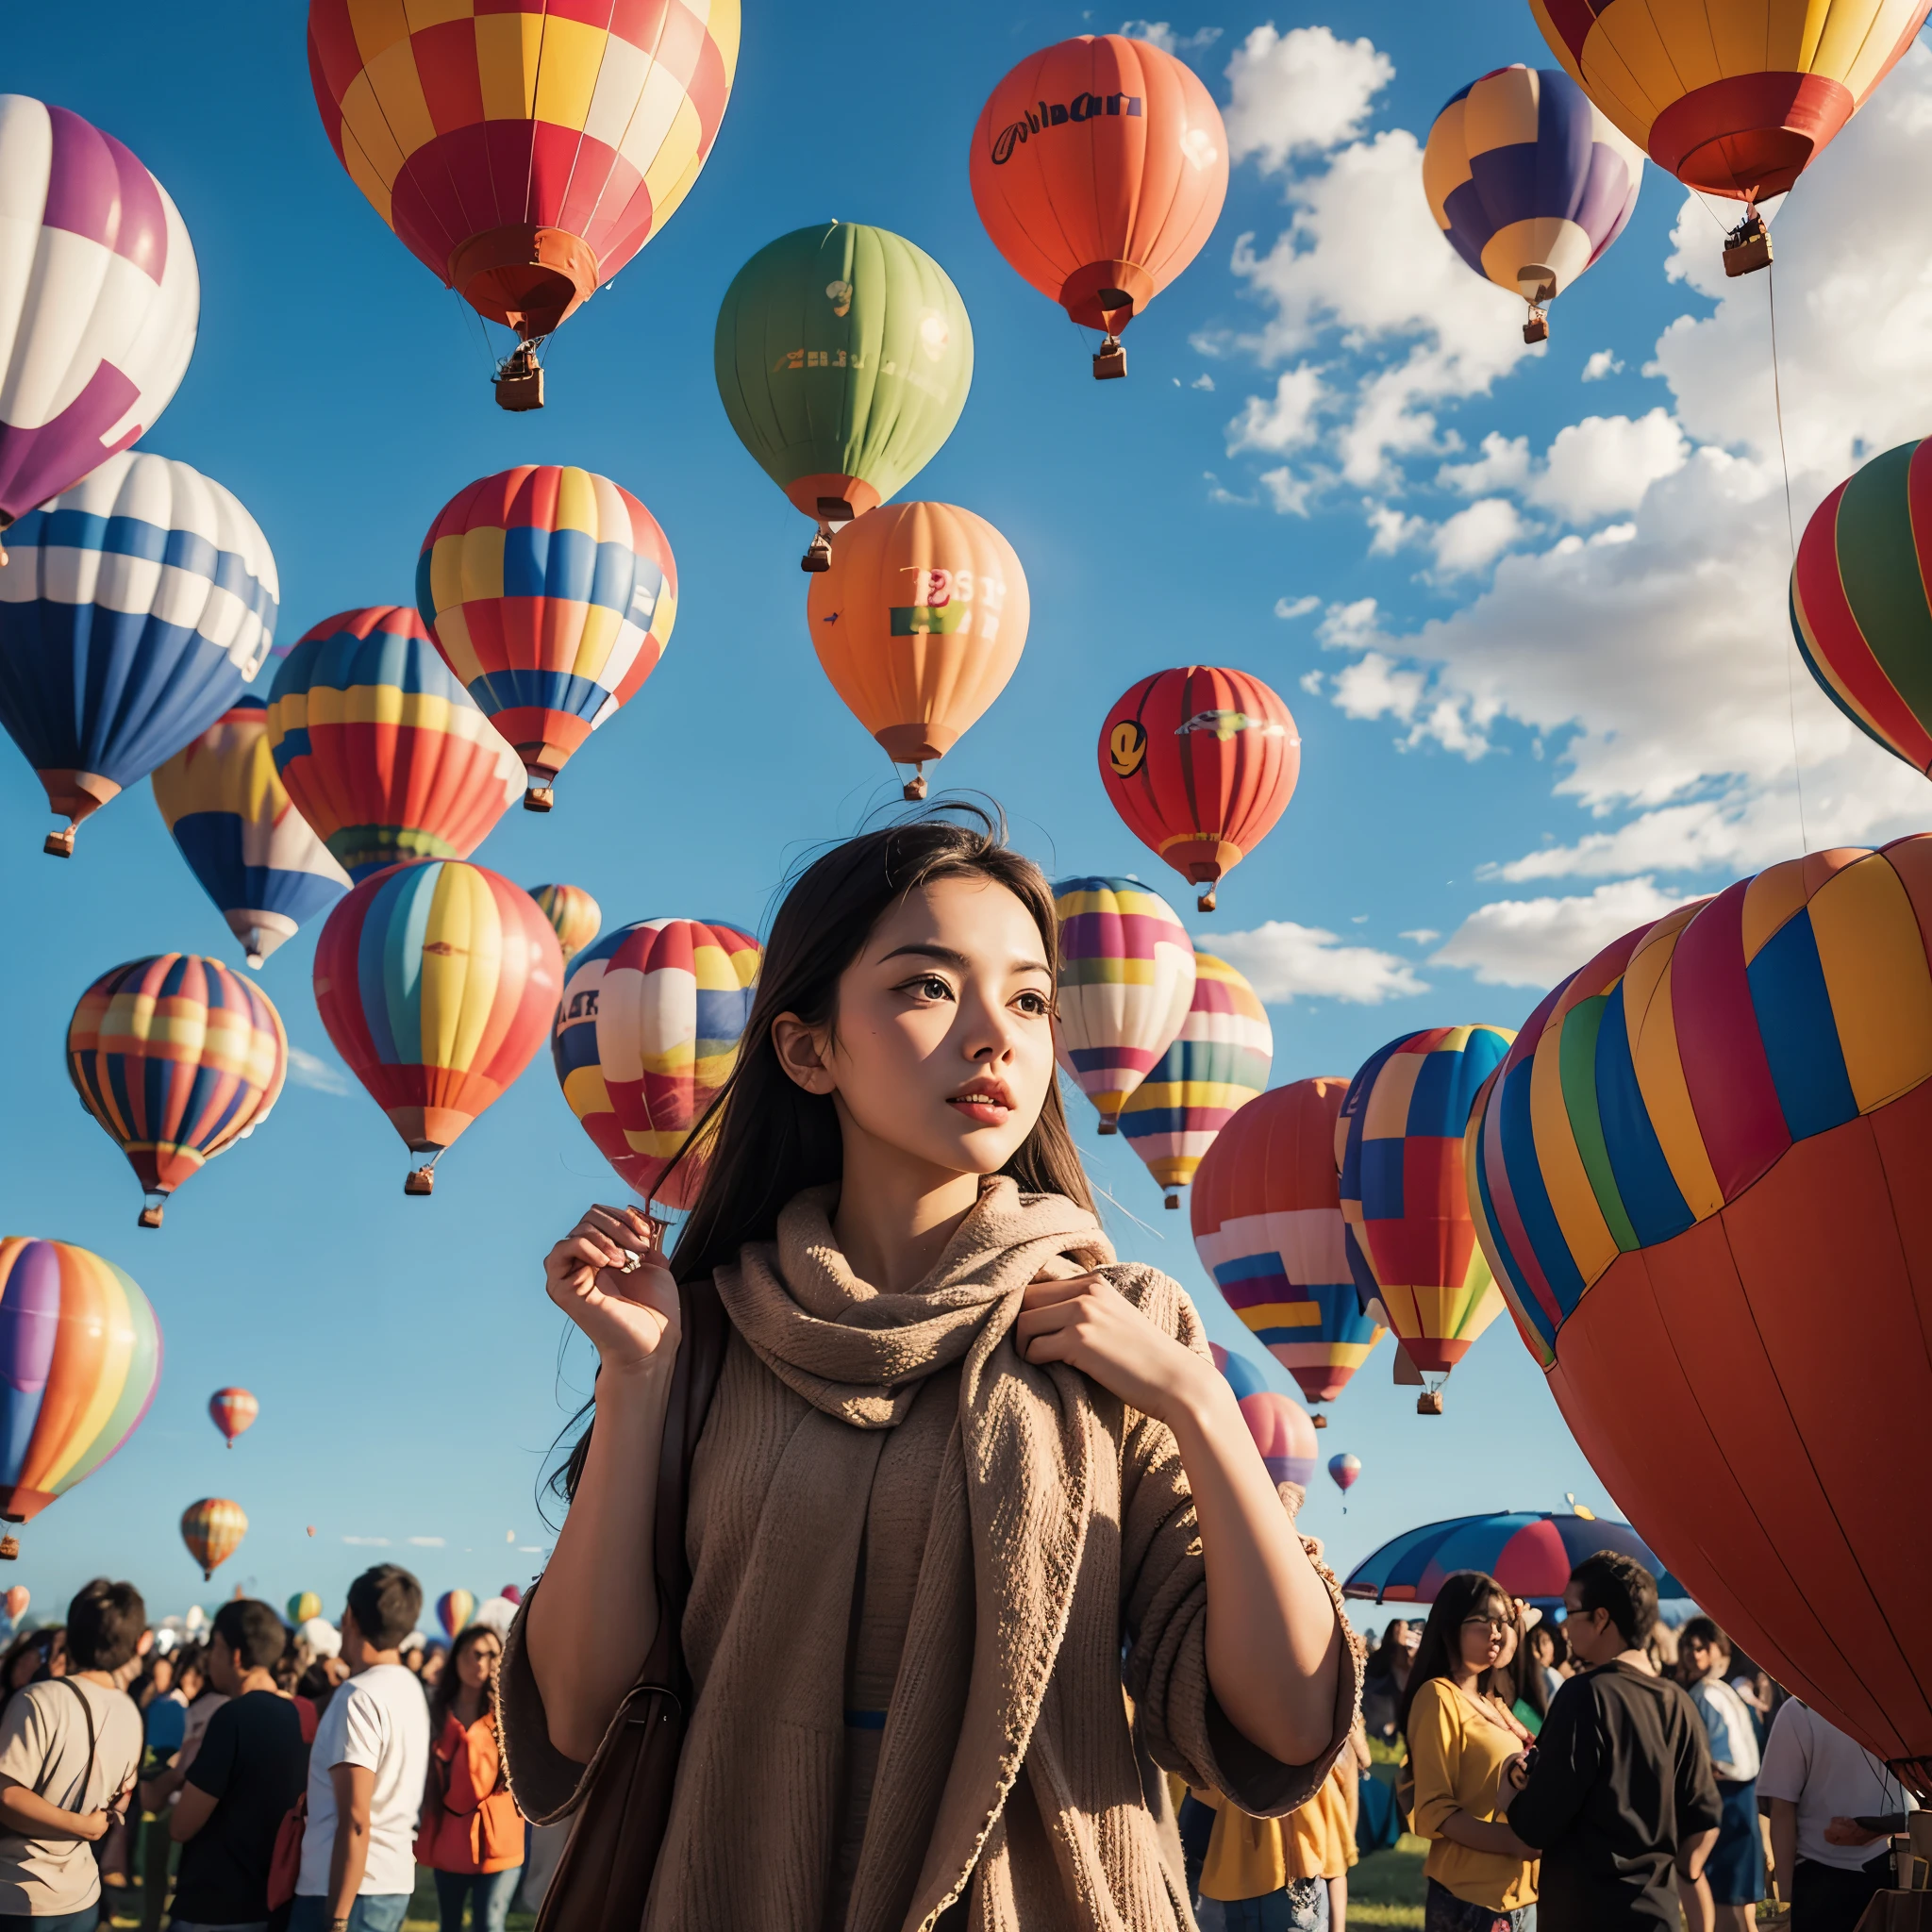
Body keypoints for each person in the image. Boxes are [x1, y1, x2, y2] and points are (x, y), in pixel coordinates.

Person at [507, 810, 1359, 1930]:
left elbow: (1289, 1721)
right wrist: (635, 1382)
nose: (994, 1037)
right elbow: (578, 1719)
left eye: (1026, 999)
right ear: (807, 1048)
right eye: (925, 987)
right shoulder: (701, 1338)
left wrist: (1199, 1406)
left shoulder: (1126, 1328)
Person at [1502, 1552, 1722, 1932]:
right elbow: (1703, 1820)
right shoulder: (1678, 1702)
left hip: (1587, 1912)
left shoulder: (1583, 1696)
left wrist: (1508, 1793)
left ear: (1601, 1618)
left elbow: (1538, 1824)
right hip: (1659, 1913)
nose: (1565, 1627)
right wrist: (1683, 1872)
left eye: (1571, 1611)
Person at [0, 1578, 147, 1932]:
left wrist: (79, 1824)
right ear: (134, 1645)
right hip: (82, 1892)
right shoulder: (130, 1710)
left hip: (17, 1891)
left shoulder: (40, 1699)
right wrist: (88, 1824)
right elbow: (122, 1796)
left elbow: (6, 1795)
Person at [291, 1566, 430, 1932]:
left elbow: (355, 1819)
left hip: (346, 1889)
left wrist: (337, 1919)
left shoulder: (358, 1696)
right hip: (391, 1878)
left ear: (350, 1616)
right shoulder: (409, 1688)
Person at [1399, 1573, 1539, 1932]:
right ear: (1450, 1628)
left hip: (1521, 1895)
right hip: (1472, 1897)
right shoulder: (1438, 1697)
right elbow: (1436, 1809)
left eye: (1500, 1622)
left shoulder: (1494, 1702)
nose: (1496, 1632)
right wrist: (1514, 1842)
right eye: (1482, 1621)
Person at [166, 1599, 308, 1932]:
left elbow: (181, 1826)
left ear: (235, 1655)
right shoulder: (302, 1716)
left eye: (215, 1647)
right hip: (274, 1901)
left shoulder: (232, 1717)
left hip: (215, 1906)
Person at [1757, 1696, 1917, 1932]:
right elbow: (1781, 1808)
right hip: (1898, 1867)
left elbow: (1782, 1809)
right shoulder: (1908, 1701)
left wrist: (1788, 1899)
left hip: (1834, 1876)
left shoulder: (1800, 1708)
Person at [416, 1625, 523, 1932]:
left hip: (499, 1839)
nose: (481, 1662)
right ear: (457, 1658)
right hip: (449, 1837)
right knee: (449, 1924)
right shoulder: (436, 1713)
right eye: (473, 1654)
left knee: (488, 1924)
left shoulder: (509, 1714)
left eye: (490, 1654)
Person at [1675, 1618, 1762, 1932]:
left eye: (1701, 1647)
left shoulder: (1706, 1694)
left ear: (1717, 1650)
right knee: (1739, 1908)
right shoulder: (1721, 1690)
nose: (1693, 1654)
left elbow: (1712, 1762)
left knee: (1728, 1905)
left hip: (1725, 1802)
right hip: (1739, 1799)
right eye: (1688, 1646)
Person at [1361, 1623, 1414, 1743]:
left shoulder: (1412, 1663)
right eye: (1398, 1629)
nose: (1402, 1633)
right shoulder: (1378, 1663)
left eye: (1405, 1630)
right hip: (1378, 1722)